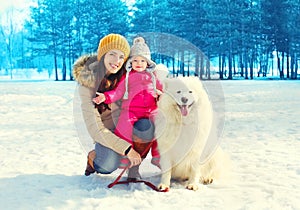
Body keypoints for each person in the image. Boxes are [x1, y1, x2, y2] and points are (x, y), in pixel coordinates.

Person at [73, 34, 157, 181]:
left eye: (121, 57)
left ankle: (134, 168)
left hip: (130, 126)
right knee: (107, 164)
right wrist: (127, 149)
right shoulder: (87, 85)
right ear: (103, 55)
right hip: (107, 134)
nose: (116, 61)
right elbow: (96, 129)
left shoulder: (128, 76)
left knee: (146, 125)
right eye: (112, 54)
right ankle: (93, 158)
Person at [93, 37, 163, 171]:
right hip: (131, 110)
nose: (139, 63)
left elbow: (163, 89)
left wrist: (163, 95)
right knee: (124, 125)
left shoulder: (153, 76)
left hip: (151, 109)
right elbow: (118, 92)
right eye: (135, 60)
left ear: (148, 62)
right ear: (130, 62)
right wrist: (105, 97)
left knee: (160, 125)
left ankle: (157, 155)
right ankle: (124, 154)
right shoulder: (128, 77)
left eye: (142, 60)